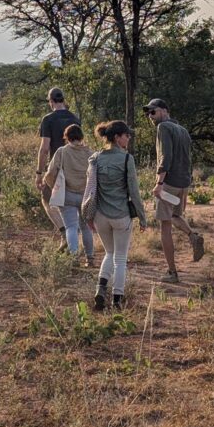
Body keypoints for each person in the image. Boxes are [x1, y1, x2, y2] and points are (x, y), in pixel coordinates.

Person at [85, 120, 147, 310]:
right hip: (120, 216)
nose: (128, 138)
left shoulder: (95, 158)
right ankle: (117, 300)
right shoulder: (127, 159)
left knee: (109, 253)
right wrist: (143, 217)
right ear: (117, 137)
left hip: (100, 216)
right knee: (120, 259)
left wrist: (88, 216)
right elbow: (134, 192)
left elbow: (90, 189)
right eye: (126, 135)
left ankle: (100, 289)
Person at [144, 98, 204, 284]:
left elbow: (166, 156)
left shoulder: (163, 128)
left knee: (165, 226)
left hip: (169, 182)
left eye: (152, 112)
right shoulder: (183, 130)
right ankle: (193, 236)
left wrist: (159, 182)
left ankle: (172, 272)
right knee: (175, 216)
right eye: (148, 113)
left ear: (163, 111)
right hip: (183, 182)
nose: (150, 116)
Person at [42, 124, 95, 265]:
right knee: (86, 227)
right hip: (86, 195)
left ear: (67, 137)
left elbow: (50, 173)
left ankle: (74, 257)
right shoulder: (90, 153)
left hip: (67, 194)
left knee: (71, 227)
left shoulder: (62, 151)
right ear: (81, 136)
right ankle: (90, 259)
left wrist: (55, 187)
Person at [35, 87, 79, 245]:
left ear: (51, 101)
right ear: (63, 100)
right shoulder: (74, 118)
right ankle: (70, 233)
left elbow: (45, 148)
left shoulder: (48, 119)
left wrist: (39, 173)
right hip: (74, 166)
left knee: (47, 199)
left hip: (56, 167)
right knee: (70, 202)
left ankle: (64, 233)